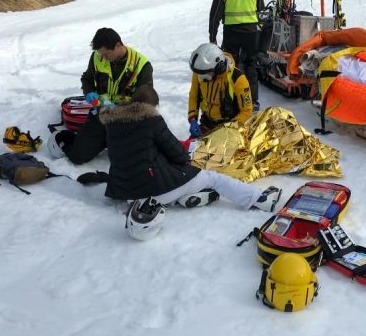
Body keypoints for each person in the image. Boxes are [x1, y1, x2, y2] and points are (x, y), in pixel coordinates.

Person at [99, 85, 282, 239]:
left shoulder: (113, 123)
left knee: (167, 173)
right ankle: (259, 199)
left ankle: (183, 198)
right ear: (152, 106)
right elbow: (178, 154)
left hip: (126, 192)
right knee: (212, 178)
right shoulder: (151, 120)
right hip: (153, 190)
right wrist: (187, 159)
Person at [49, 27, 154, 164]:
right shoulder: (97, 57)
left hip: (127, 121)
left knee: (132, 160)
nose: (103, 57)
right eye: (101, 54)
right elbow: (87, 78)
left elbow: (147, 103)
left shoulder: (142, 66)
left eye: (106, 54)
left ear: (118, 45)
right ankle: (99, 139)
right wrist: (89, 92)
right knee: (77, 156)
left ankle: (112, 140)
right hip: (102, 115)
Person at [208, 0, 264, 111]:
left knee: (231, 65)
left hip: (231, 32)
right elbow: (261, 12)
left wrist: (212, 37)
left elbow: (214, 15)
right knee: (251, 65)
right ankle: (252, 101)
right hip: (251, 33)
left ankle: (231, 98)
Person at [187, 42, 253, 137]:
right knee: (191, 150)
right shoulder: (201, 71)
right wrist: (193, 119)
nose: (201, 78)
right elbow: (194, 95)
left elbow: (246, 111)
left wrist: (229, 129)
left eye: (205, 74)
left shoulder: (238, 79)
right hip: (207, 124)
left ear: (219, 68)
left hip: (230, 127)